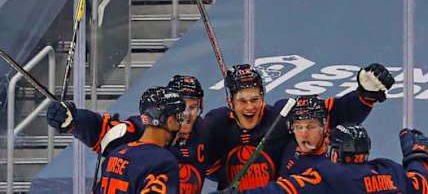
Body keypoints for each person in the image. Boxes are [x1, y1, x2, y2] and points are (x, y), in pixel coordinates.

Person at [204, 63, 394, 191]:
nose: (249, 107)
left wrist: (365, 94)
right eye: (242, 101)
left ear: (263, 95)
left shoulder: (283, 114)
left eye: (255, 99)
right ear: (229, 100)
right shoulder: (216, 123)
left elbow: (336, 113)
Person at [47, 75, 212, 194]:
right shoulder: (143, 131)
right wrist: (75, 120)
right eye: (181, 109)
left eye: (193, 107)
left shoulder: (204, 130)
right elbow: (103, 130)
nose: (186, 115)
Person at [214, 124, 428, 194]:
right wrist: (417, 155)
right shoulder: (389, 170)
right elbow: (422, 183)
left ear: (335, 152)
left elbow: (284, 190)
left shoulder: (330, 174)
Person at [95, 86, 184, 193]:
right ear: (169, 122)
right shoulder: (163, 161)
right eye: (178, 118)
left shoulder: (115, 155)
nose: (181, 124)